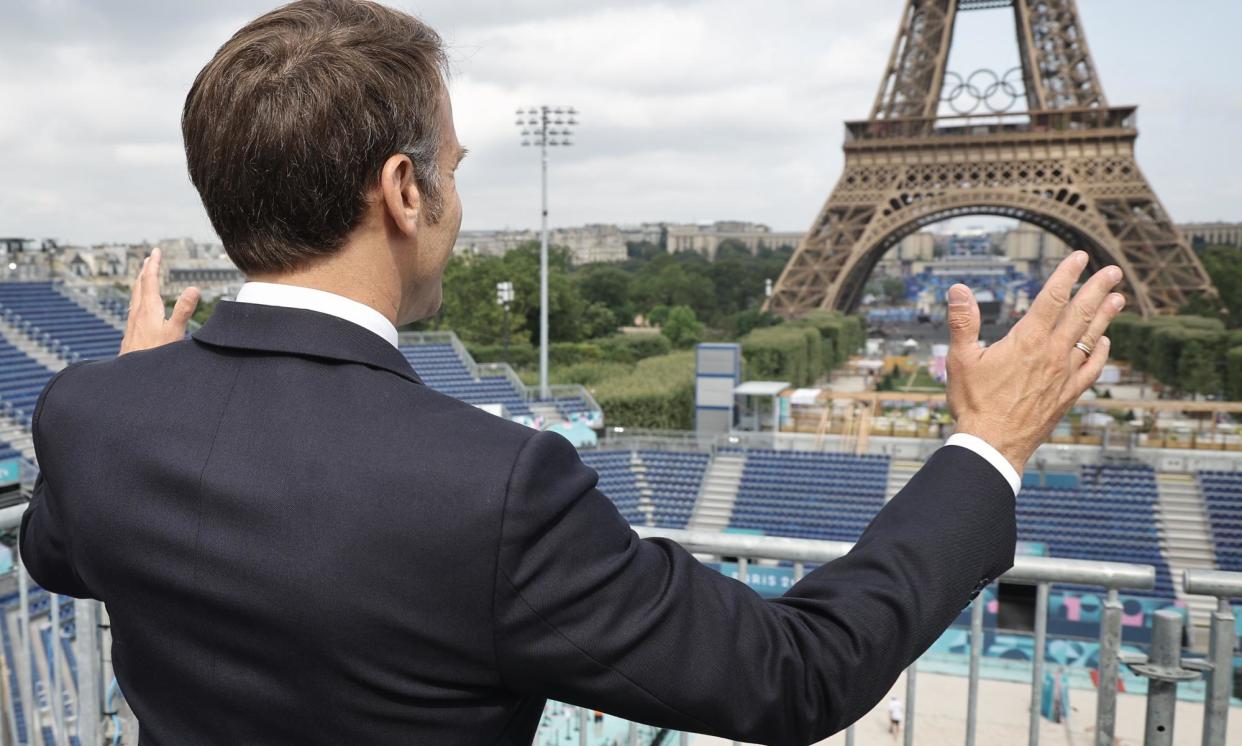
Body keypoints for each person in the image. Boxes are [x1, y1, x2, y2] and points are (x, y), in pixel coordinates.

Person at [18, 1, 1127, 744]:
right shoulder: (494, 487)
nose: (460, 196)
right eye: (453, 167)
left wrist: (140, 389)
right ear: (405, 191)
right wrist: (988, 447)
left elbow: (58, 552)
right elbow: (796, 672)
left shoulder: (95, 413)